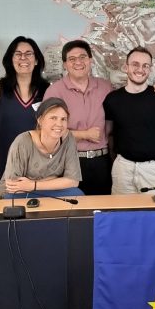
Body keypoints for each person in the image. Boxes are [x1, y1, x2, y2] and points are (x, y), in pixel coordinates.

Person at [44, 40, 114, 195]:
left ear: (90, 60)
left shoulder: (105, 87)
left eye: (82, 57)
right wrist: (84, 135)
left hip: (102, 162)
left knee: (102, 212)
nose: (78, 62)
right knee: (73, 213)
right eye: (72, 59)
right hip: (69, 162)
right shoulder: (55, 92)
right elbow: (48, 132)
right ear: (64, 64)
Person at [103, 47, 155, 194]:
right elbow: (109, 134)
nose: (140, 69)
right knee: (121, 214)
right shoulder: (112, 99)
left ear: (149, 69)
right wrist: (117, 160)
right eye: (135, 64)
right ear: (126, 67)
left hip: (153, 169)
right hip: (122, 168)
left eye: (145, 66)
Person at [0, 37, 49, 197]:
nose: (23, 58)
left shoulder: (47, 91)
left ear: (36, 60)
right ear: (10, 60)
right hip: (2, 162)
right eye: (18, 54)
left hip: (37, 164)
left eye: (29, 54)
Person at [0, 97, 81, 198]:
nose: (59, 124)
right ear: (40, 120)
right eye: (53, 118)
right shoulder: (22, 141)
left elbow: (73, 181)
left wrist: (33, 184)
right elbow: (13, 185)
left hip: (43, 190)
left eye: (63, 119)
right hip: (16, 194)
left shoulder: (68, 138)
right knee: (11, 197)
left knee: (77, 193)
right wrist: (55, 180)